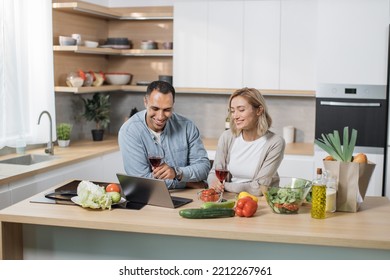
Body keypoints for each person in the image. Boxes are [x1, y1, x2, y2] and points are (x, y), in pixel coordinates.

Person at [118, 80, 210, 189]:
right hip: (149, 197)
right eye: (155, 109)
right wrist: (186, 182)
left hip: (187, 196)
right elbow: (142, 181)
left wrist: (177, 172)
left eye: (167, 110)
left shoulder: (187, 127)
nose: (160, 116)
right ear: (145, 102)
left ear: (173, 105)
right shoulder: (129, 131)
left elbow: (204, 168)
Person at [207, 87, 285, 196]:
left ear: (259, 110)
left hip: (262, 202)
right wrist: (214, 182)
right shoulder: (227, 137)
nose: (235, 116)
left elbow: (259, 188)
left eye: (241, 110)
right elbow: (214, 173)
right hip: (230, 197)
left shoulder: (275, 142)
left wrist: (224, 186)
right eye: (232, 111)